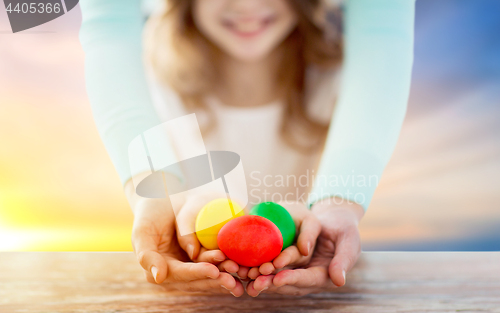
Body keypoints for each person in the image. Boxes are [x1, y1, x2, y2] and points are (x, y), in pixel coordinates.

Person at [79, 0, 415, 297]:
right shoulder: (155, 90)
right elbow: (106, 26)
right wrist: (158, 196)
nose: (246, 4)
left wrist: (338, 206)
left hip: (311, 300)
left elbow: (384, 27)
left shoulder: (340, 85)